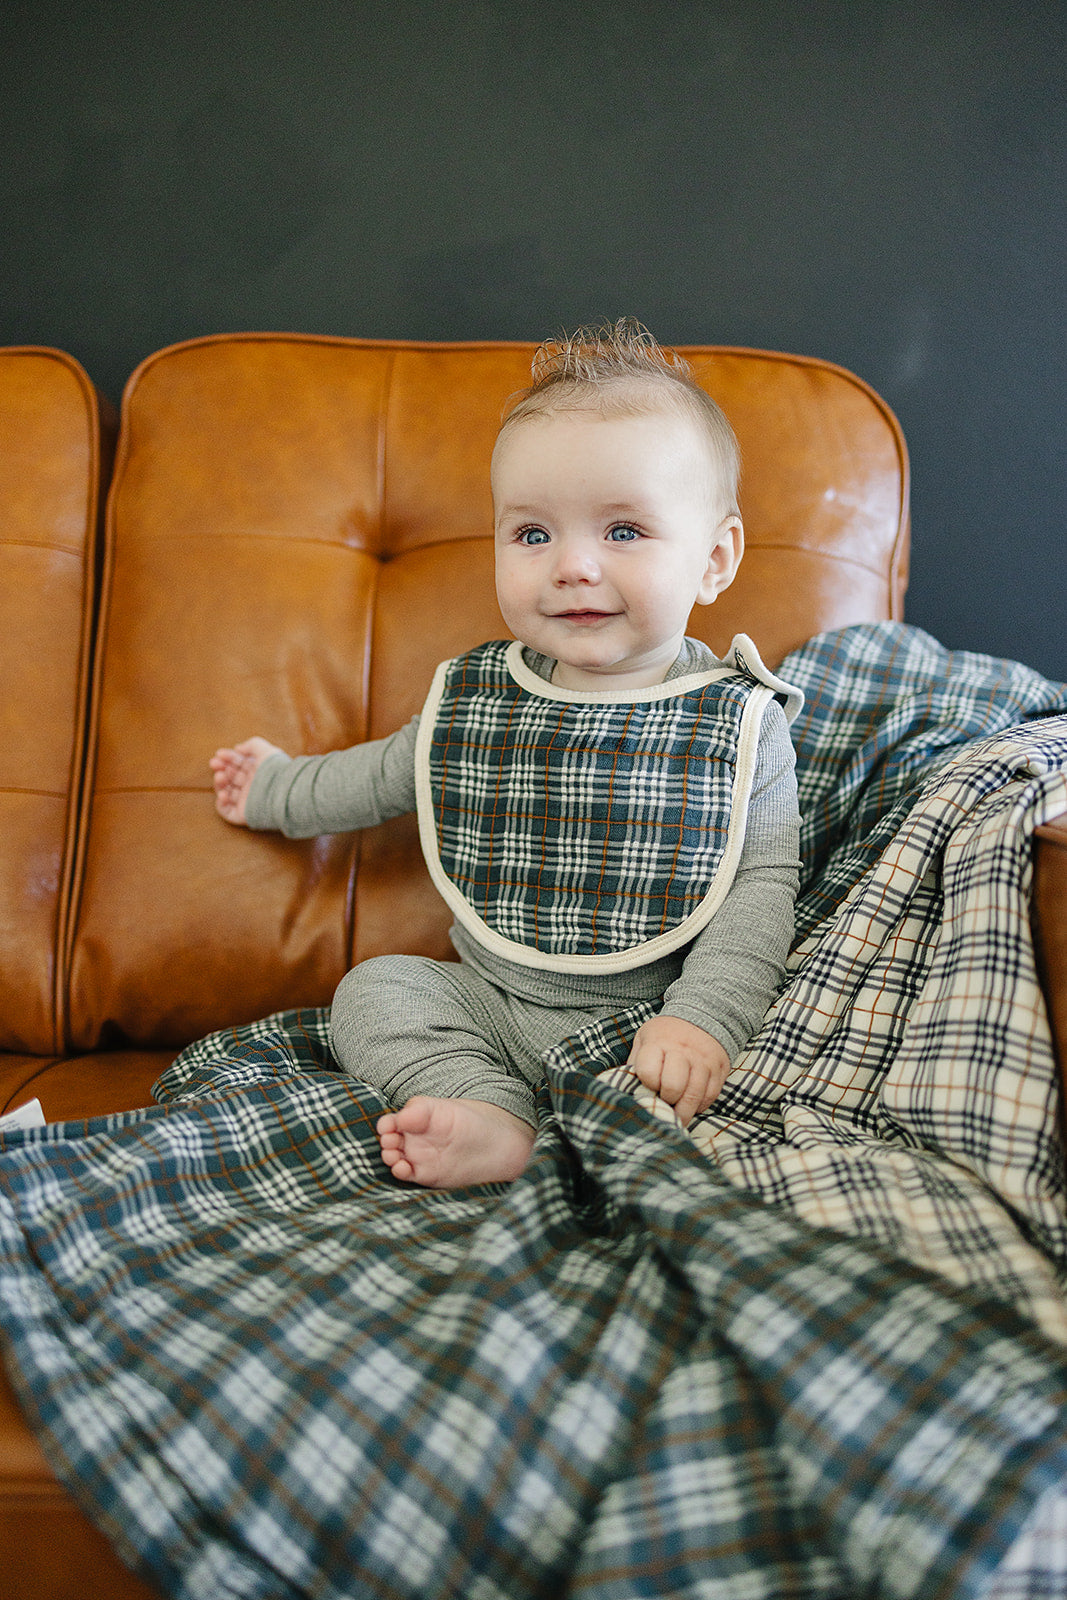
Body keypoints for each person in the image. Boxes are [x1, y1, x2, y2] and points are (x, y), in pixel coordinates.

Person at [210, 319, 802, 1189]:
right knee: (373, 991)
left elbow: (760, 890)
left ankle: (569, 1112)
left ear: (713, 559)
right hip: (484, 1006)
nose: (572, 566)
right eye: (531, 534)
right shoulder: (482, 696)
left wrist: (703, 1022)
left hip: (643, 1025)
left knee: (684, 1059)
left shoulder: (737, 722)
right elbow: (383, 773)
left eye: (623, 531)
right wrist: (275, 789)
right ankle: (488, 1112)